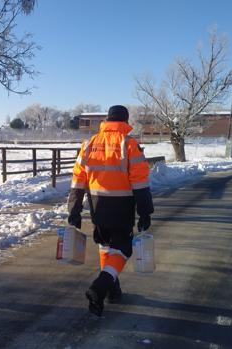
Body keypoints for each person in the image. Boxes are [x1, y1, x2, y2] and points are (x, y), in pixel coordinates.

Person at [67, 105, 154, 317]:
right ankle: (100, 287)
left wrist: (74, 211)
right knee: (123, 249)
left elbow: (78, 180)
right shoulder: (129, 144)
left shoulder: (89, 144)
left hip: (97, 207)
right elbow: (140, 183)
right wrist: (145, 212)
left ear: (107, 120)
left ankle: (112, 291)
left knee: (106, 247)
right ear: (125, 121)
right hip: (122, 207)